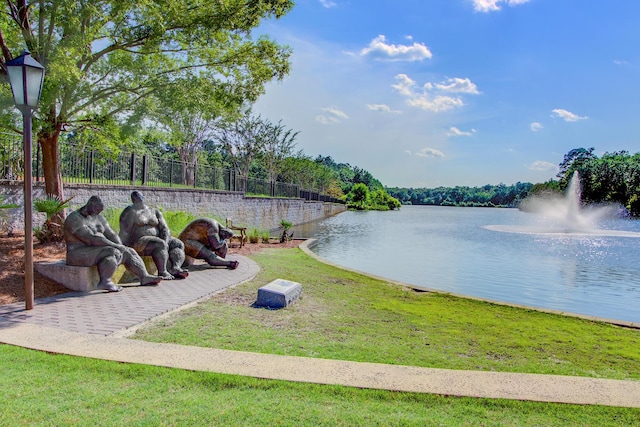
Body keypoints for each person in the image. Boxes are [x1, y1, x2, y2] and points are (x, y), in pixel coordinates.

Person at [64, 195, 163, 292]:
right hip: (78, 252)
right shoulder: (74, 218)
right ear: (89, 204)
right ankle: (105, 281)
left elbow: (111, 234)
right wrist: (116, 246)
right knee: (112, 251)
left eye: (100, 210)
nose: (98, 212)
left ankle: (144, 277)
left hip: (96, 249)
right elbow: (91, 239)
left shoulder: (99, 218)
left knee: (128, 251)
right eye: (96, 209)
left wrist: (120, 245)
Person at [119, 191, 188, 280]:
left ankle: (175, 268)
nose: (136, 198)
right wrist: (122, 244)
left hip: (157, 239)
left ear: (142, 198)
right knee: (160, 243)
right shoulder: (130, 211)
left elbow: (165, 229)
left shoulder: (154, 211)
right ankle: (162, 271)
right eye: (134, 197)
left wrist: (166, 241)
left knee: (178, 244)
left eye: (138, 196)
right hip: (139, 241)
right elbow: (124, 231)